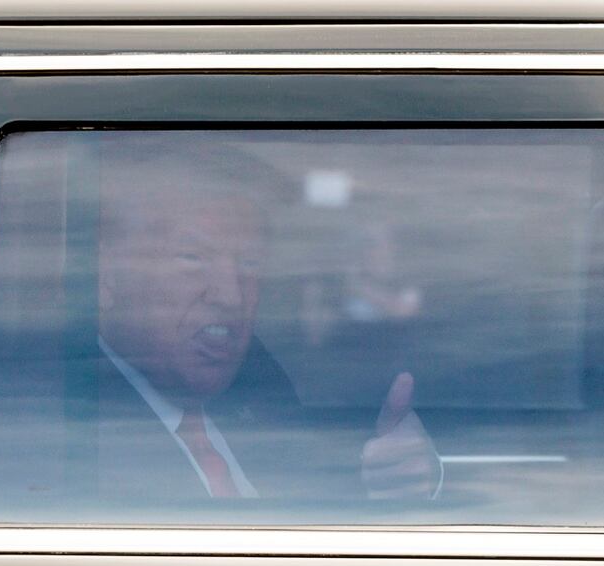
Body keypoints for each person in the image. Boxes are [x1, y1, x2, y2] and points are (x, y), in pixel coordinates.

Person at [89, 136, 441, 502]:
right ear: (106, 274)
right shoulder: (75, 429)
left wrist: (395, 480)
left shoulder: (259, 389)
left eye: (249, 263)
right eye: (192, 258)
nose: (230, 295)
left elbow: (317, 499)